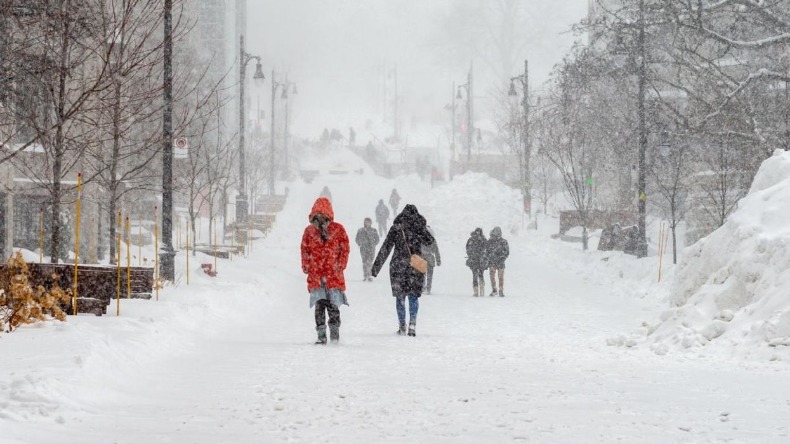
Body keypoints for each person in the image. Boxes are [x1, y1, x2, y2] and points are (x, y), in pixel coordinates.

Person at [371, 204, 435, 337]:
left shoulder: (396, 228)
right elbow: (430, 241)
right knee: (413, 296)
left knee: (400, 296)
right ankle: (412, 323)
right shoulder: (419, 227)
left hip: (398, 265)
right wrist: (421, 228)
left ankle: (402, 325)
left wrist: (375, 268)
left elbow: (386, 247)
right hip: (415, 266)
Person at [300, 197, 350, 344]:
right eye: (318, 215)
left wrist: (340, 264)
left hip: (333, 274)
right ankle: (321, 334)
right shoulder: (309, 231)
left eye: (323, 214)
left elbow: (345, 248)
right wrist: (306, 265)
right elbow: (304, 249)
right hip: (317, 275)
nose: (321, 218)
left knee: (333, 305)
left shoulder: (338, 229)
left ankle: (334, 333)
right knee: (320, 305)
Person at [486, 226, 509, 297]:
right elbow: (506, 252)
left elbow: (506, 252)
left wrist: (490, 257)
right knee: (499, 277)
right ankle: (498, 290)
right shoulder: (502, 241)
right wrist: (501, 258)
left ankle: (496, 290)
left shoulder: (491, 241)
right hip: (498, 262)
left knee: (494, 276)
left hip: (495, 262)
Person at [355, 217, 380, 281]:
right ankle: (365, 275)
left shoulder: (374, 230)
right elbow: (357, 239)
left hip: (371, 249)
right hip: (363, 249)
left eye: (368, 222)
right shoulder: (360, 230)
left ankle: (369, 275)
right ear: (364, 222)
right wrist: (359, 243)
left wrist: (374, 244)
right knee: (364, 262)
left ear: (371, 223)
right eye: (366, 222)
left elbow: (377, 239)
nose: (367, 223)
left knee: (369, 262)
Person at [465, 228, 487, 297]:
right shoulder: (483, 239)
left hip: (474, 260)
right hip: (480, 260)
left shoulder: (471, 239)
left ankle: (476, 291)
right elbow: (486, 249)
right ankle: (482, 291)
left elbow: (467, 248)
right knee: (480, 275)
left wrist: (471, 255)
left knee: (475, 275)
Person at [420, 226, 441, 295]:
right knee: (430, 275)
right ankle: (428, 288)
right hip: (430, 259)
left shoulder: (420, 239)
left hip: (421, 258)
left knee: (422, 274)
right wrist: (438, 260)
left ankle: (422, 287)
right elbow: (436, 251)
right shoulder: (433, 240)